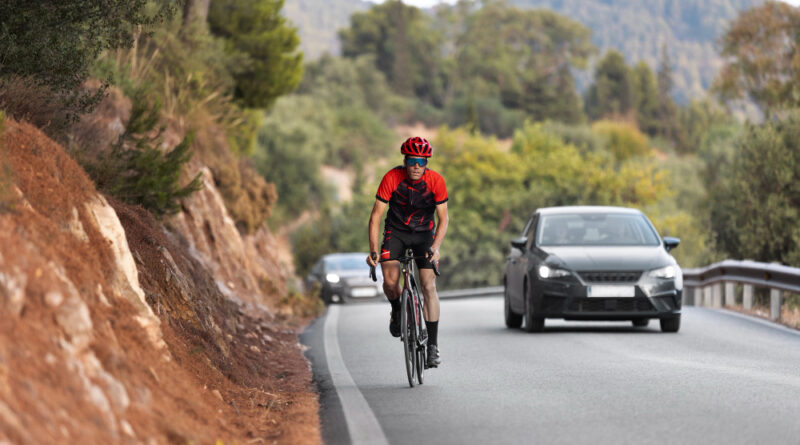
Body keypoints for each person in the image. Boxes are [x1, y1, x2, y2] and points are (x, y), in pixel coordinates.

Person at [366, 136, 449, 368]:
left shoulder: (436, 181)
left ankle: (433, 346)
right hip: (396, 232)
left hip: (424, 235)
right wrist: (373, 251)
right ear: (405, 160)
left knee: (428, 286)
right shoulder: (392, 178)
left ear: (426, 163)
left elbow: (444, 218)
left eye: (421, 162)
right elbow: (375, 217)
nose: (416, 166)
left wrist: (436, 247)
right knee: (391, 283)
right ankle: (397, 309)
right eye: (412, 160)